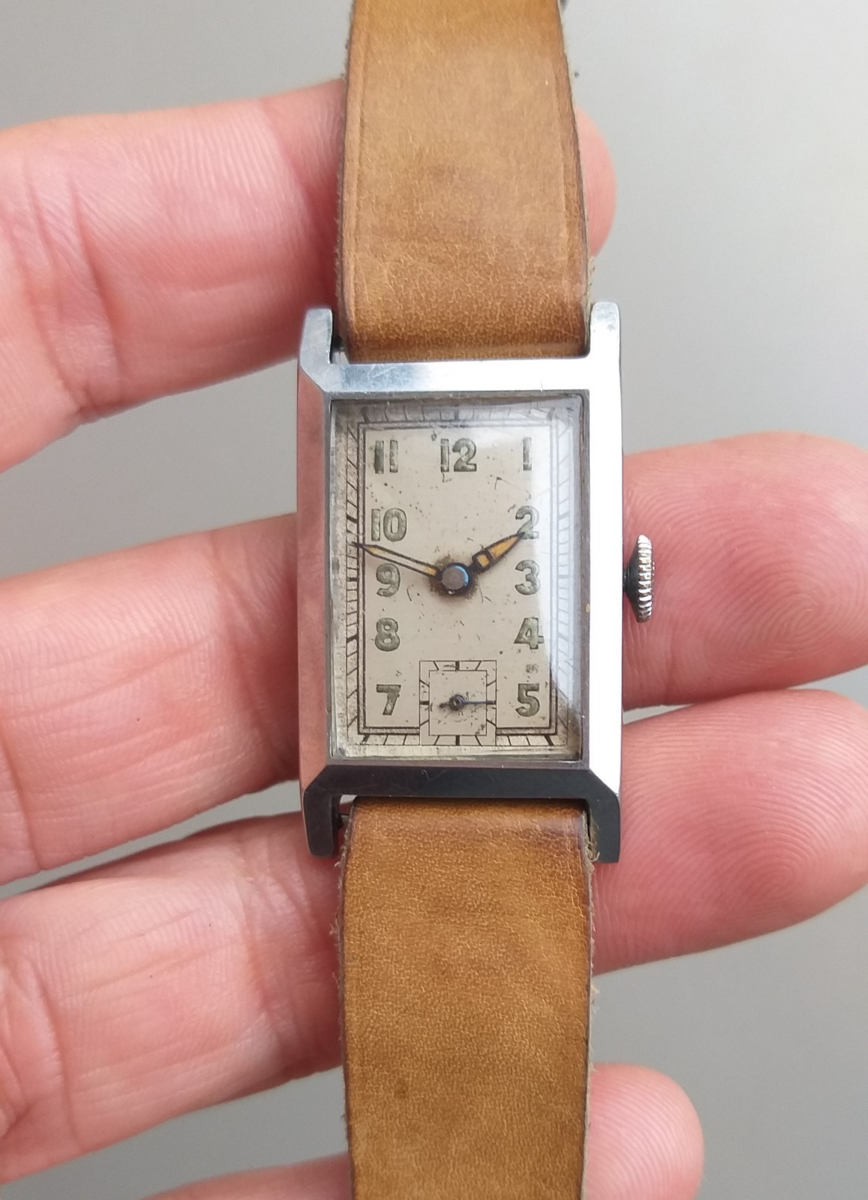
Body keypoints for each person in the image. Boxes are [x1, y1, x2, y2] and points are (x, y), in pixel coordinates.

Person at [0, 78, 866, 1200]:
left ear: (626, 581)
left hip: (501, 782)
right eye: (453, 573)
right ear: (630, 582)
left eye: (473, 571)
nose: (457, 582)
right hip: (449, 777)